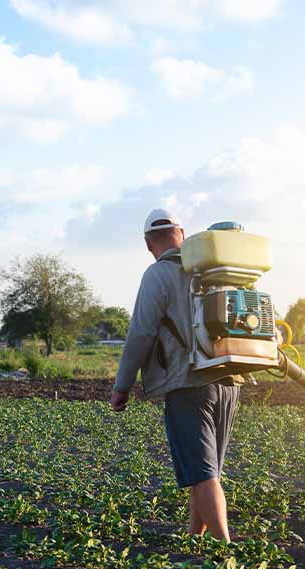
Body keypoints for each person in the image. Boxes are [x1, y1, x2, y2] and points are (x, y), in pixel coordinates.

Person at [109, 208, 239, 542]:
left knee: (203, 472)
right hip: (228, 382)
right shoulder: (216, 271)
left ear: (148, 244)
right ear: (181, 235)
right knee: (204, 470)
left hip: (189, 384)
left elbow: (141, 333)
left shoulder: (158, 275)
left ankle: (225, 548)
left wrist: (122, 385)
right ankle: (194, 539)